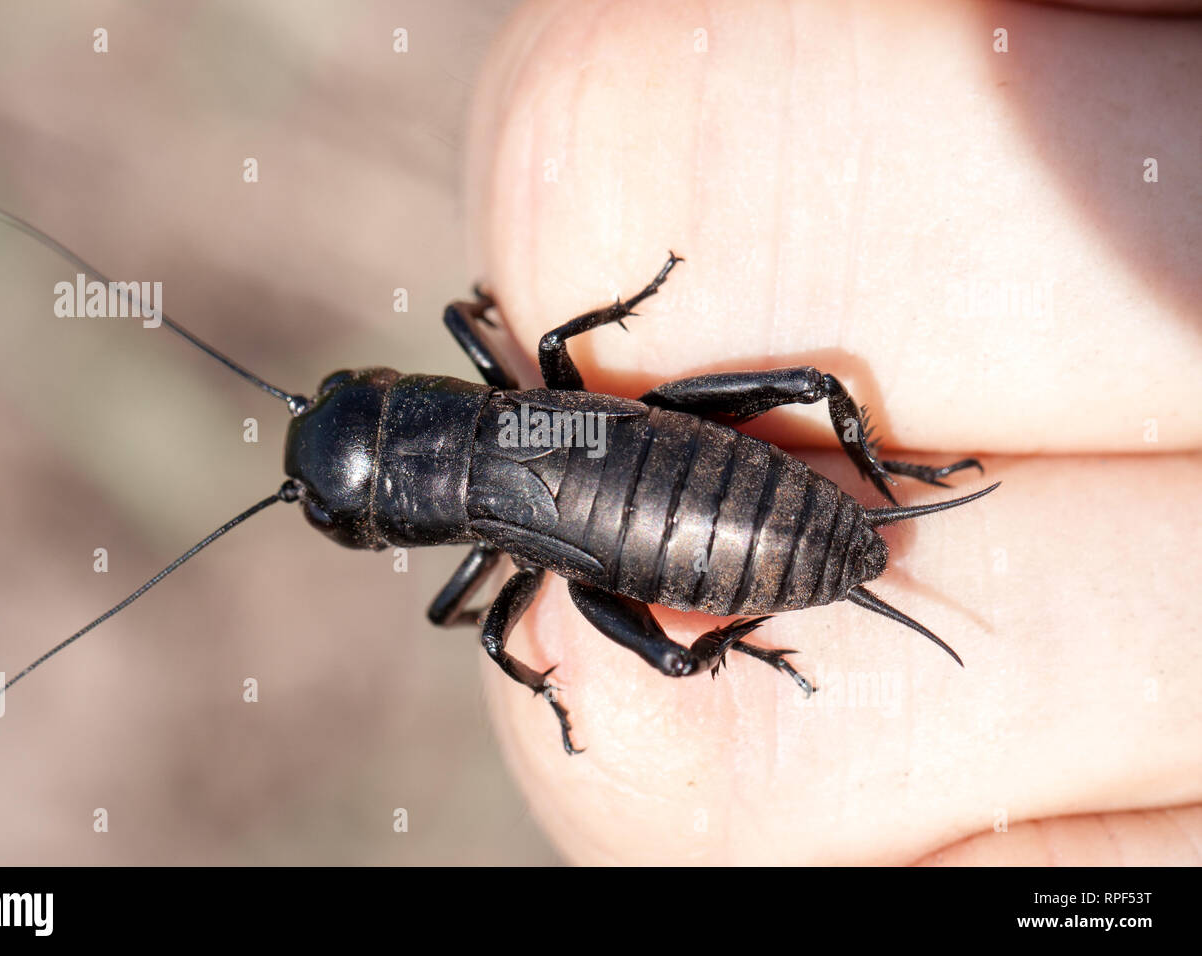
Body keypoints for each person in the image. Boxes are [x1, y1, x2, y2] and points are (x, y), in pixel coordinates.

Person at [464, 0, 1202, 865]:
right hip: (697, 482)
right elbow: (527, 336)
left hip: (701, 550)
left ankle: (839, 548)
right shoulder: (511, 389)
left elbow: (474, 624)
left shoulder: (486, 561)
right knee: (802, 387)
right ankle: (881, 480)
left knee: (665, 657)